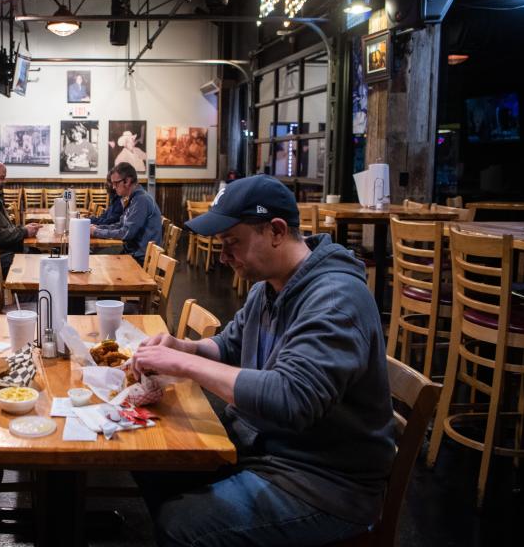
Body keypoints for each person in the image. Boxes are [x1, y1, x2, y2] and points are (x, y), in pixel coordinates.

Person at [130, 175, 394, 546]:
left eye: (232, 243)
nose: (223, 257)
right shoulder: (269, 288)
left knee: (182, 525)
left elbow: (290, 399)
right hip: (267, 448)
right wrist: (182, 347)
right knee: (152, 457)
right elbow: (230, 344)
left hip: (323, 484)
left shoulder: (335, 298)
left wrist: (185, 366)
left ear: (276, 231)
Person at [89, 162, 161, 266]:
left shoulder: (141, 200)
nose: (113, 187)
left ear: (127, 181)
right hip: (132, 252)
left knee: (94, 261)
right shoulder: (134, 199)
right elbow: (120, 225)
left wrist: (96, 232)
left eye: (116, 183)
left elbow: (126, 233)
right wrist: (98, 227)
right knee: (93, 256)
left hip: (140, 259)